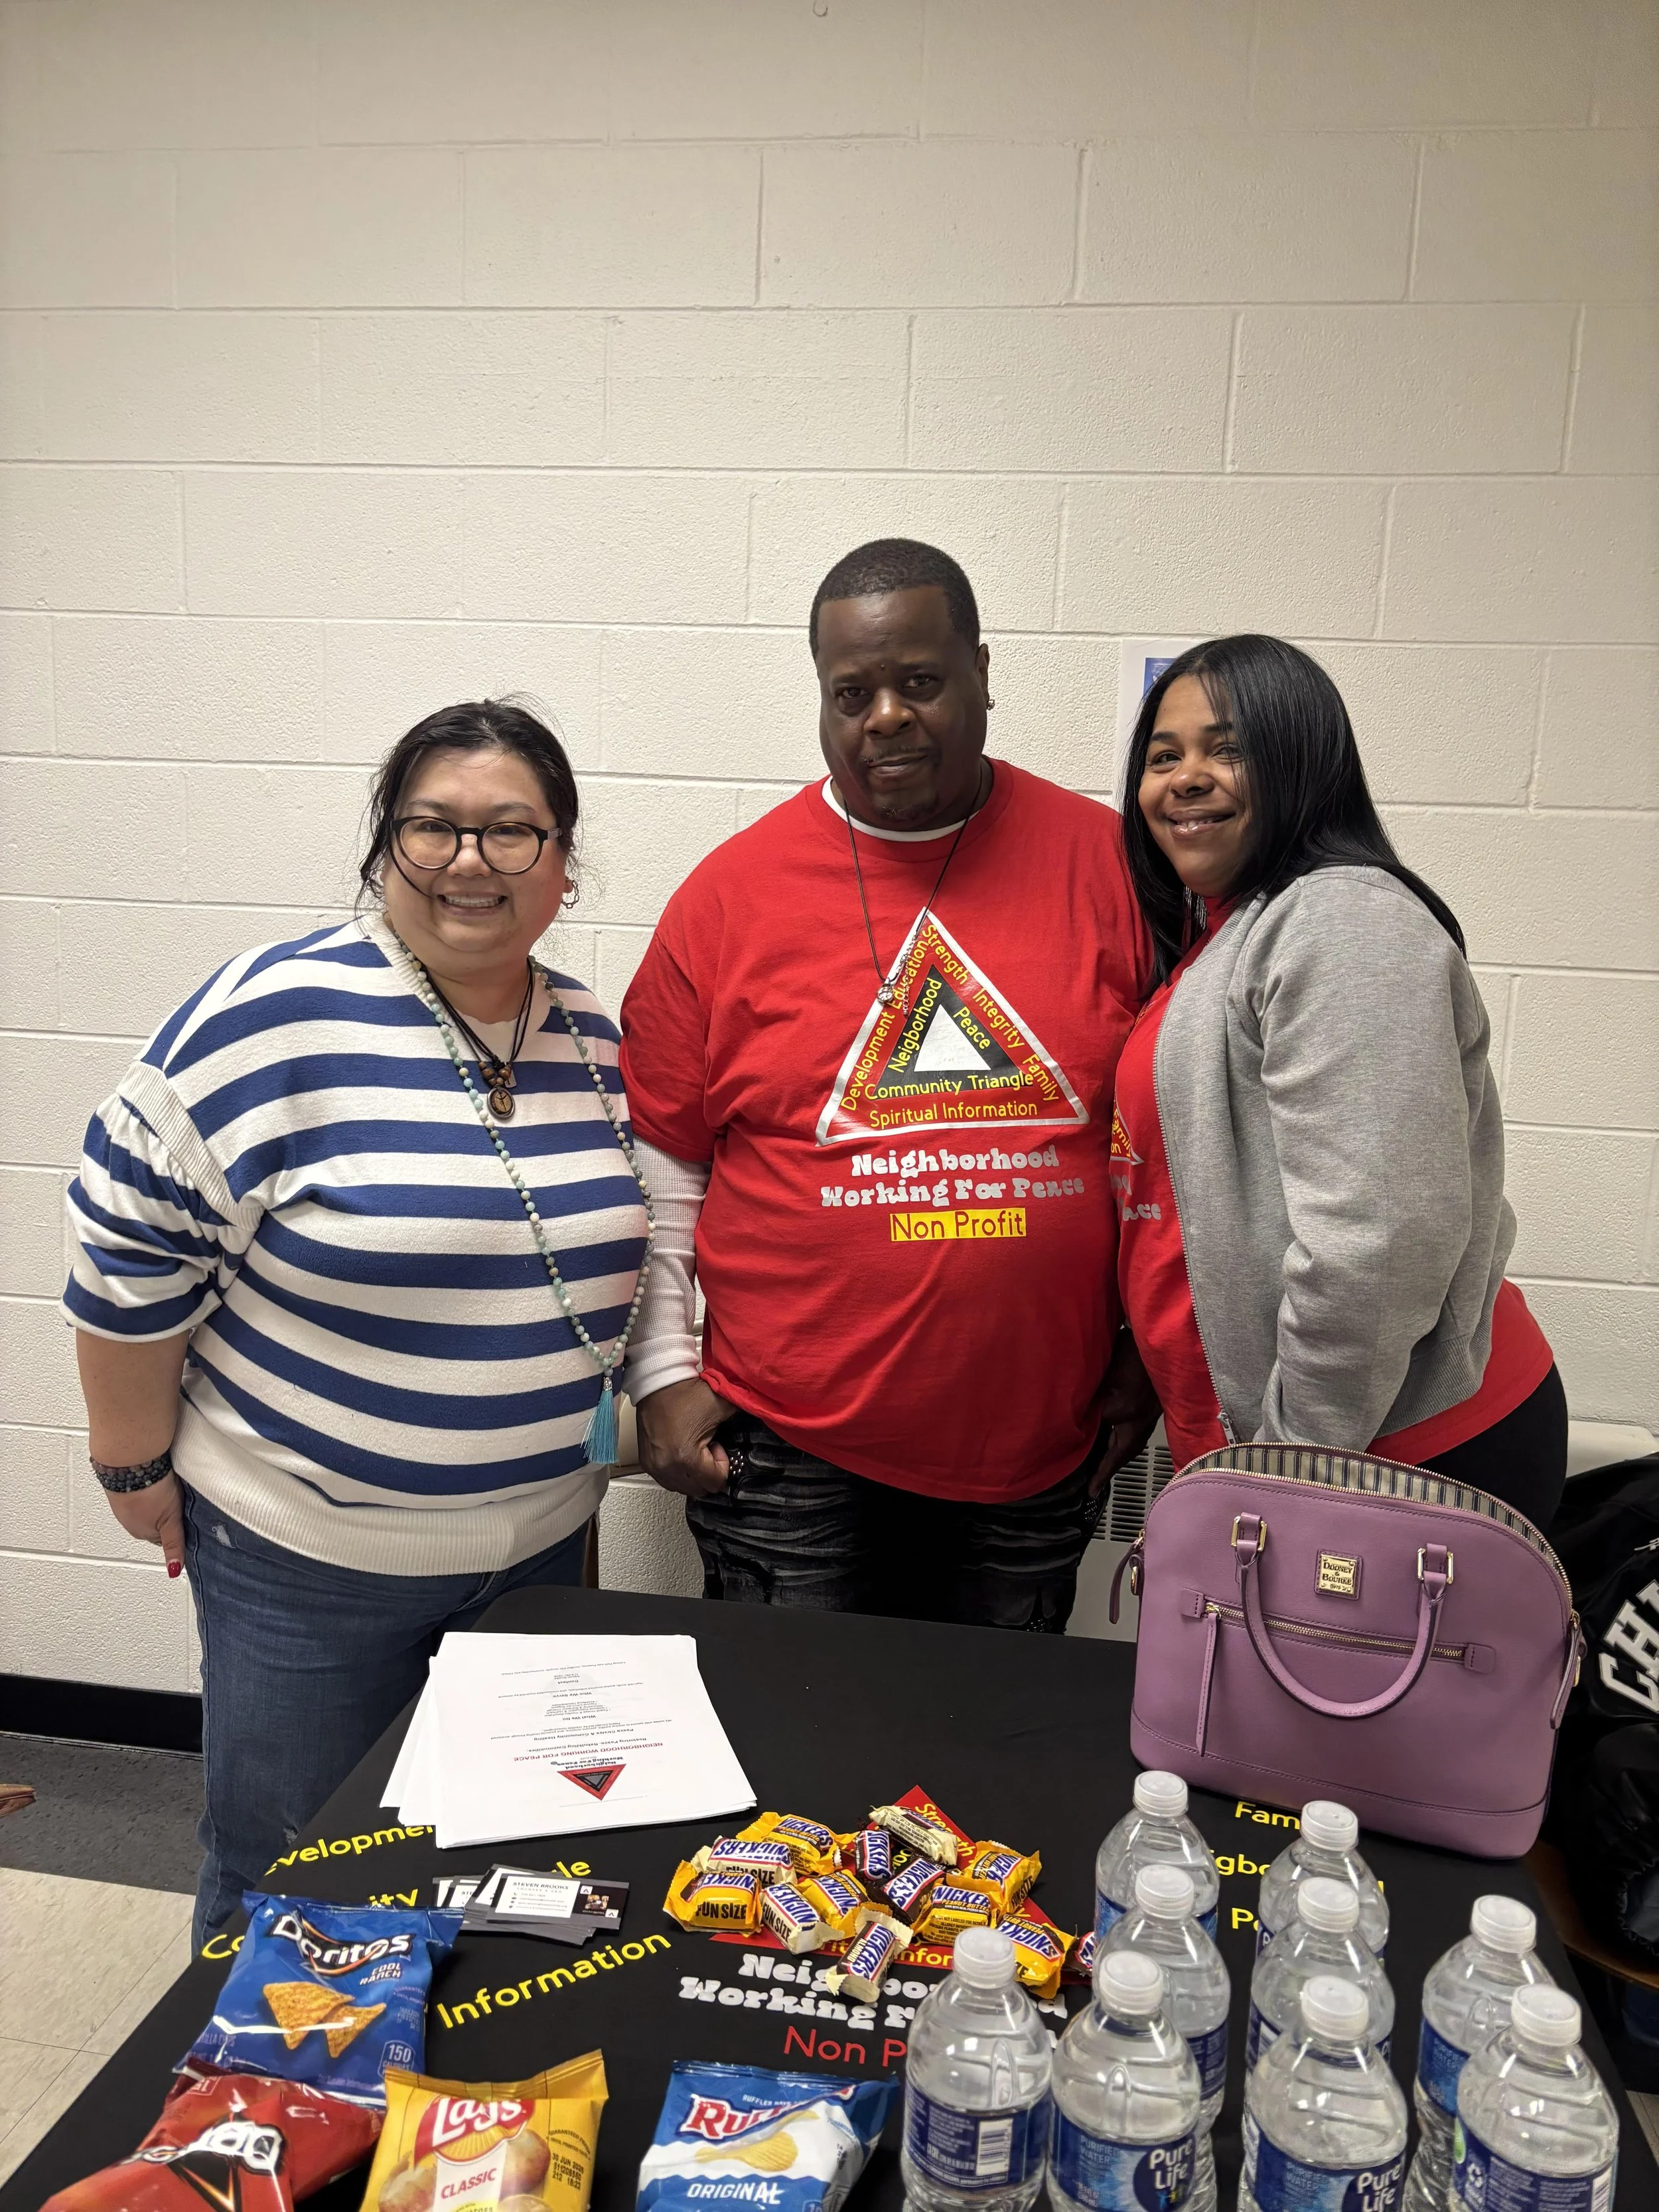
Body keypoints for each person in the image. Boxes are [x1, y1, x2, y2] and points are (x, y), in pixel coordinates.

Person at [62, 700, 652, 1939]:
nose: (470, 863)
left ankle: (444, 2114)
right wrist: (131, 1462)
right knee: (295, 1874)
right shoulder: (272, 1013)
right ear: (386, 849)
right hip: (307, 1564)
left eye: (511, 832)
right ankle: (248, 2117)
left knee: (502, 1867)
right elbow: (125, 1244)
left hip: (542, 1549)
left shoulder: (597, 1037)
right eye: (433, 828)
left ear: (566, 864)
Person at [618, 538, 1155, 1629]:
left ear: (985, 672)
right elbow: (663, 1157)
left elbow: (1175, 1146)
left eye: (920, 682)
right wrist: (664, 1369)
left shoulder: (1115, 867)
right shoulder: (729, 898)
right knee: (791, 1768)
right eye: (851, 692)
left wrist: (1149, 1357)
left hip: (1036, 1447)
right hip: (786, 1449)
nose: (888, 717)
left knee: (990, 1767)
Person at [1111, 634, 1565, 1528]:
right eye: (1164, 757)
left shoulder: (1343, 921)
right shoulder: (1234, 932)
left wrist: (1285, 1470)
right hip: (1300, 1452)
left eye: (1229, 749)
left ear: (1302, 765)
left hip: (1390, 1464)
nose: (1187, 778)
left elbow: (1378, 1246)